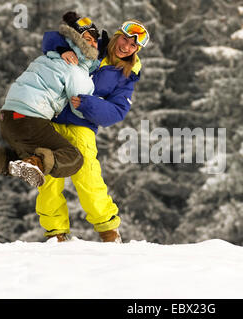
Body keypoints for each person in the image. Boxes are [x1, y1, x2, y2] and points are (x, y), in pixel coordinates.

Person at [37, 20, 150, 243]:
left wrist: (88, 105)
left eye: (132, 46)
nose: (126, 46)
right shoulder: (92, 43)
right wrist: (64, 49)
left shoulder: (125, 76)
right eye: (125, 39)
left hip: (82, 126)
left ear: (136, 51)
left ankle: (108, 230)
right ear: (117, 36)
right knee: (49, 177)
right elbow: (51, 36)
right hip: (52, 119)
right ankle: (56, 233)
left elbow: (117, 111)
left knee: (88, 177)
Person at [0, 12, 100, 189]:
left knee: (25, 155)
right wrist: (98, 103)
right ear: (76, 40)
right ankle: (35, 164)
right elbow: (80, 106)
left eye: (95, 40)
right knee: (73, 157)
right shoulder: (75, 68)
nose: (93, 44)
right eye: (87, 39)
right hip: (30, 119)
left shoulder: (48, 57)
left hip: (7, 118)